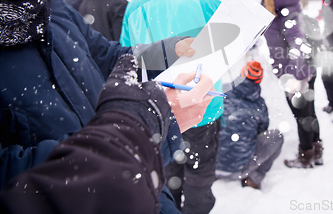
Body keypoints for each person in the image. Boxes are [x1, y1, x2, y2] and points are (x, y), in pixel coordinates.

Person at [0, 0, 195, 212]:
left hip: (146, 190)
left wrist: (170, 51)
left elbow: (106, 56)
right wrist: (127, 135)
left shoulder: (49, 2)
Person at [0, 54, 214, 214]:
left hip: (140, 175)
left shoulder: (52, 5)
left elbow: (103, 52)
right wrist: (130, 127)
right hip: (114, 182)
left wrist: (167, 50)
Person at [120, 0, 223, 214]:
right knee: (201, 174)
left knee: (167, 175)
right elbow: (227, 50)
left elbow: (126, 54)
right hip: (202, 103)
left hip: (157, 107)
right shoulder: (207, 0)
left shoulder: (136, 5)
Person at [244, 0, 323, 169]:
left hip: (298, 76)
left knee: (303, 116)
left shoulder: (289, 18)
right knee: (310, 112)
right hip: (305, 72)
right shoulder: (283, 7)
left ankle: (307, 155)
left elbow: (299, 47)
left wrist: (292, 78)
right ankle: (316, 148)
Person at [215, 61, 283, 189]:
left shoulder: (221, 92)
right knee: (276, 137)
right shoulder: (260, 105)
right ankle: (254, 178)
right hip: (240, 168)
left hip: (209, 164)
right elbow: (262, 131)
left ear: (241, 74)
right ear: (259, 80)